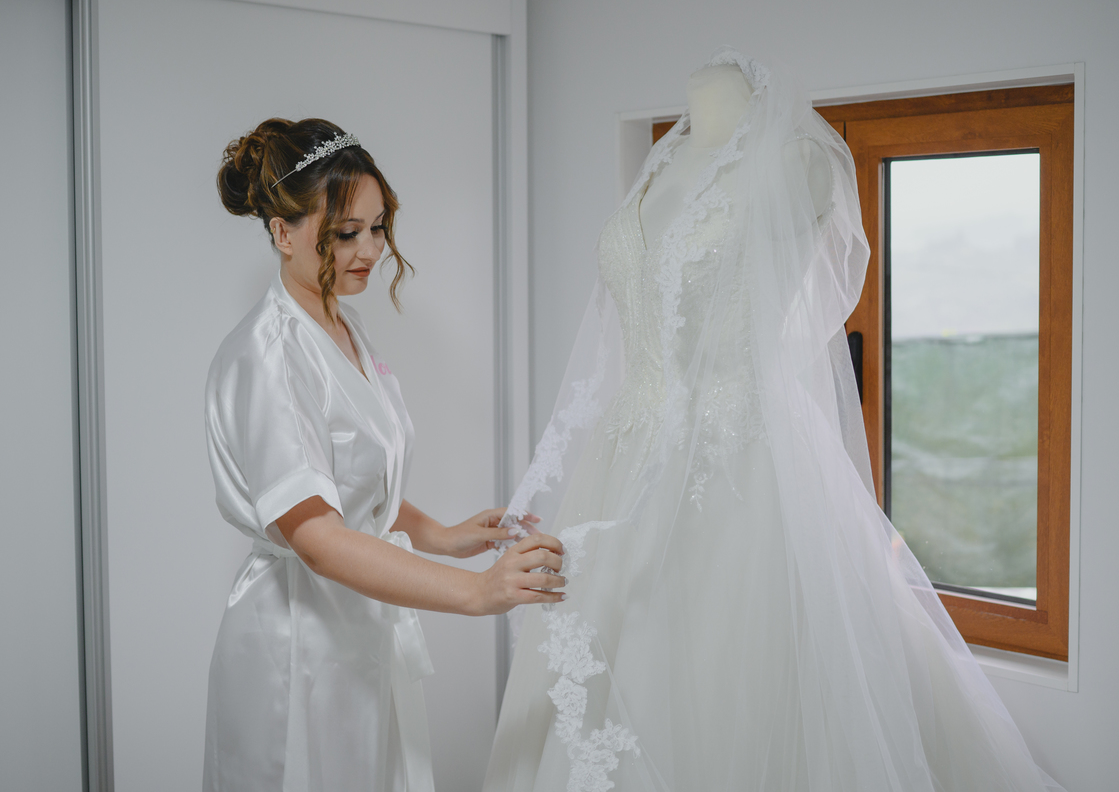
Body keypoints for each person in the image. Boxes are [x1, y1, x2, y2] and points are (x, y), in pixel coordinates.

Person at [485, 52, 1066, 791]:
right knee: (604, 665)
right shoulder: (661, 166)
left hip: (739, 464)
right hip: (625, 453)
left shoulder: (796, 161)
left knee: (734, 673)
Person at [203, 117, 565, 792]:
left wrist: (445, 536)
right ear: (283, 233)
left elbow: (353, 485)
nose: (370, 249)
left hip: (359, 626)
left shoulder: (342, 325)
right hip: (297, 640)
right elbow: (318, 538)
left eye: (378, 227)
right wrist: (476, 592)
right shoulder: (271, 355)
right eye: (346, 233)